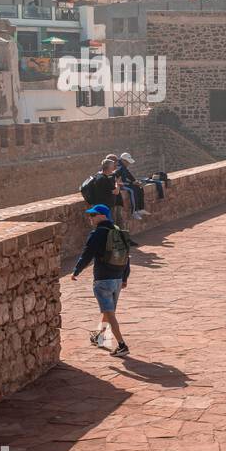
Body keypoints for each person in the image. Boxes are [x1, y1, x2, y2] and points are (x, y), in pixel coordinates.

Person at [71, 204, 131, 357]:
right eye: (90, 215)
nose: (90, 218)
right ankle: (99, 336)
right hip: (117, 277)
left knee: (109, 313)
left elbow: (87, 254)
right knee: (107, 310)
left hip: (103, 278)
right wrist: (124, 277)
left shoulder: (97, 233)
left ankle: (122, 345)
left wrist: (76, 271)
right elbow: (126, 255)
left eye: (93, 215)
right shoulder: (117, 230)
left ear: (103, 216)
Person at [116, 152, 148, 218]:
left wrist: (135, 181)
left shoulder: (123, 166)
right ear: (123, 160)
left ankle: (140, 209)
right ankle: (134, 212)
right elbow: (120, 181)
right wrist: (132, 183)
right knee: (132, 190)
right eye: (127, 162)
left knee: (140, 187)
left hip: (124, 183)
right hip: (119, 185)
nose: (129, 163)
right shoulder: (119, 167)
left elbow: (129, 174)